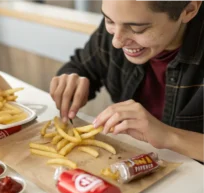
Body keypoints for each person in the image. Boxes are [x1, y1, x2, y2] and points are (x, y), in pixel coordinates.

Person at [50, 0, 204, 162]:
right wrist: (71, 80)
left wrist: (169, 136)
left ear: (189, 10)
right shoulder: (120, 24)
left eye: (138, 29)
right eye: (109, 20)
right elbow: (81, 66)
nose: (117, 42)